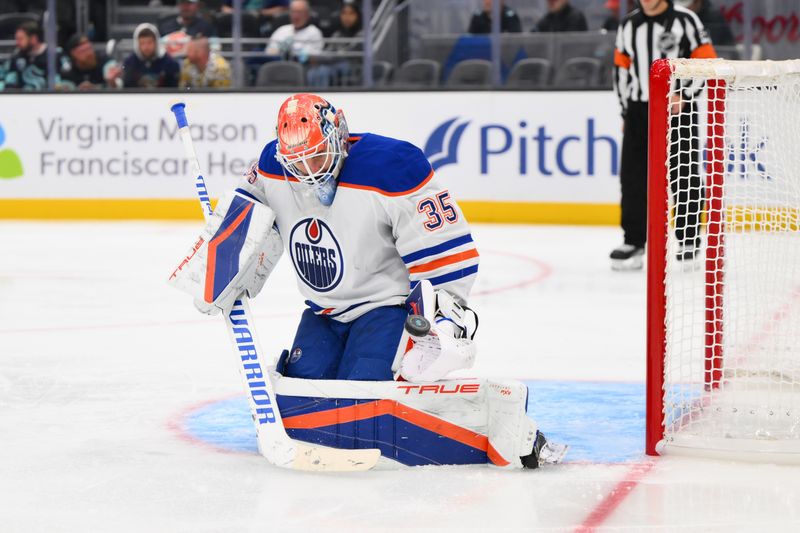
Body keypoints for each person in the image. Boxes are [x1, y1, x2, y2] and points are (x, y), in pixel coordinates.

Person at [169, 93, 566, 468]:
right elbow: (245, 223)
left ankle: (510, 430)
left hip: (385, 309)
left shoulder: (392, 167)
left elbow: (444, 252)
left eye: (317, 155)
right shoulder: (272, 165)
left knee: (364, 396)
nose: (309, 171)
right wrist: (217, 270)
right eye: (298, 162)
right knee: (304, 401)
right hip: (323, 311)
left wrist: (445, 324)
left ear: (338, 133)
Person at [611, 0, 717, 269]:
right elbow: (621, 68)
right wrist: (626, 110)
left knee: (684, 173)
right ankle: (634, 240)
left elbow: (705, 61)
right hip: (639, 110)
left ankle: (689, 239)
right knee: (633, 177)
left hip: (677, 108)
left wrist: (685, 93)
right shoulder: (629, 24)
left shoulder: (687, 20)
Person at [306, 0, 362, 87]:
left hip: (353, 67)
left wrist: (327, 58)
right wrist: (319, 58)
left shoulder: (361, 34)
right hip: (334, 63)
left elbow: (347, 55)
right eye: (344, 13)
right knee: (313, 71)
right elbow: (329, 51)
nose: (347, 17)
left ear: (358, 16)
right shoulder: (338, 34)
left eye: (351, 13)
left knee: (324, 71)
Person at [0, 20, 69, 91]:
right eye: (16, 39)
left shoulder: (56, 54)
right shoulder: (17, 57)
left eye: (20, 39)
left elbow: (67, 79)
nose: (17, 43)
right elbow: (7, 77)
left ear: (33, 39)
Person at [121, 23, 180, 89]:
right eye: (142, 43)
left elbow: (173, 89)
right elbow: (127, 89)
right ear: (137, 44)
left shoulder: (169, 63)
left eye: (149, 43)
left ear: (156, 42)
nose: (146, 47)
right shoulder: (130, 63)